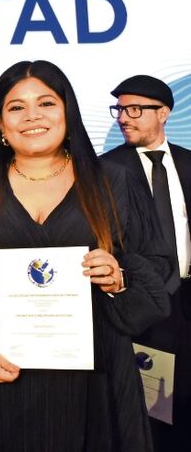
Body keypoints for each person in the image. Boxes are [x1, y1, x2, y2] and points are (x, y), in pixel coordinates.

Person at [0, 60, 173, 451]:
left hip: (97, 383)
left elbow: (157, 273)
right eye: (16, 107)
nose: (32, 116)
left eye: (46, 103)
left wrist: (118, 276)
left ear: (67, 111)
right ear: (0, 123)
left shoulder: (112, 181)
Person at [102, 74, 190, 450]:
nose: (124, 117)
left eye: (135, 109)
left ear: (165, 113)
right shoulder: (104, 170)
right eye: (120, 109)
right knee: (150, 415)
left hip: (189, 299)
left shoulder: (187, 163)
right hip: (140, 305)